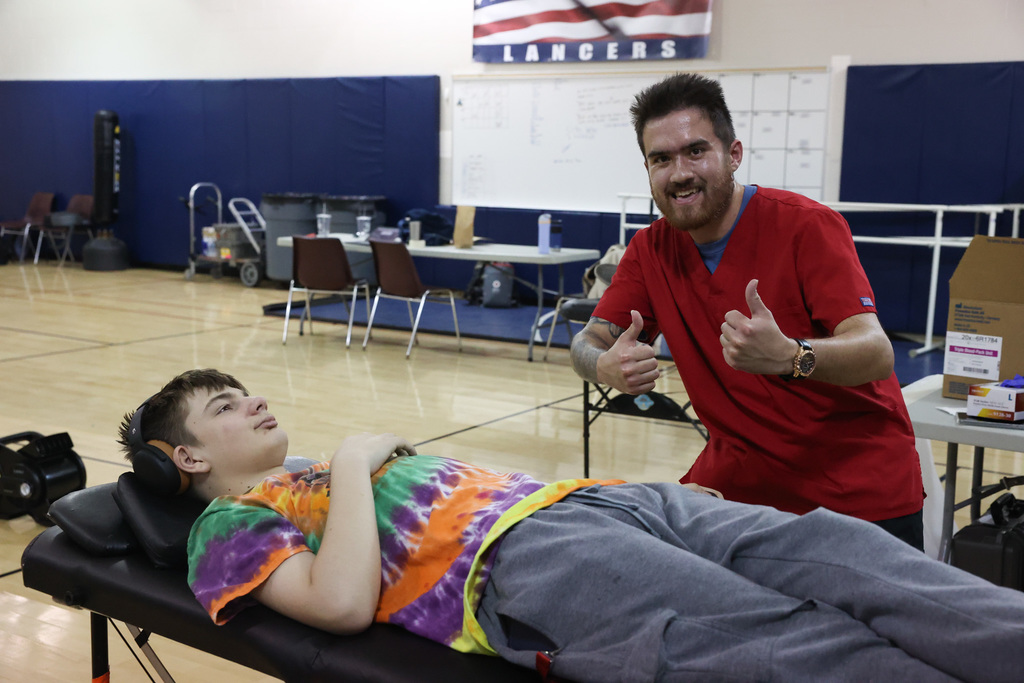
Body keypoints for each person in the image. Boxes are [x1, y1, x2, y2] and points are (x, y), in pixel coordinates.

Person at [117, 368, 1024, 683]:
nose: (257, 402)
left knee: (848, 546)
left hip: (588, 503)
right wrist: (353, 460)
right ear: (184, 456)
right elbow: (342, 601)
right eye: (229, 407)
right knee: (803, 643)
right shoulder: (228, 525)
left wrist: (625, 492)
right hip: (523, 569)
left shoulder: (309, 472)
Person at [571, 72, 925, 548]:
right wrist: (604, 365)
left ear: (733, 155)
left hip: (852, 489)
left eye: (696, 150)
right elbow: (586, 343)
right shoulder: (650, 249)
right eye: (661, 159)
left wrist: (791, 356)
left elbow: (877, 352)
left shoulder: (807, 227)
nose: (679, 173)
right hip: (738, 486)